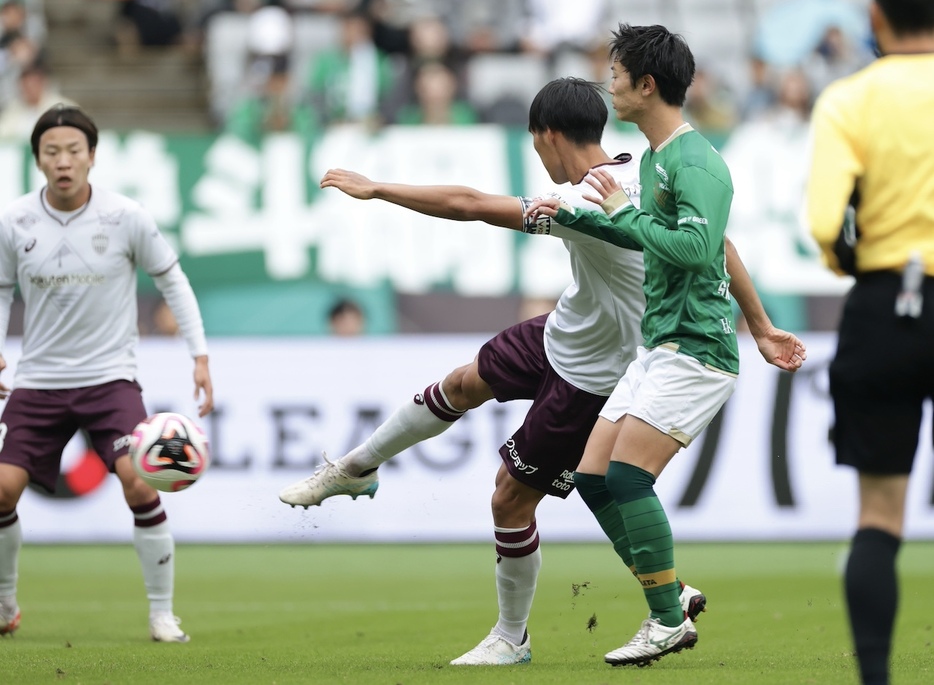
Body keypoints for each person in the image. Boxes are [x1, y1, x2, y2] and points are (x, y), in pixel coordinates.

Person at [278, 77, 805, 665]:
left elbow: (472, 206)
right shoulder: (648, 175)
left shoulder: (580, 204)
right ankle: (356, 467)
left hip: (597, 377)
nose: (536, 154)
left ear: (549, 136)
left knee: (512, 500)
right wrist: (758, 325)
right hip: (564, 331)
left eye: (535, 144)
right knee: (462, 382)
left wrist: (378, 189)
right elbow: (721, 244)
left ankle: (514, 637)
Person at [526, 24, 789, 667]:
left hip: (696, 347)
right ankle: (670, 593)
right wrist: (574, 216)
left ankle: (667, 620)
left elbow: (702, 252)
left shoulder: (695, 161)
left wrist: (614, 209)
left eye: (617, 74)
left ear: (646, 85)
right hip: (659, 344)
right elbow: (650, 237)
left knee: (625, 475)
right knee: (589, 479)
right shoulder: (652, 158)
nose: (609, 84)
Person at [0, 105, 215, 642]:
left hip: (109, 379)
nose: (63, 161)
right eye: (52, 152)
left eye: (74, 150)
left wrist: (200, 355)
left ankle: (162, 614)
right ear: (38, 160)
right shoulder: (14, 221)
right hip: (38, 380)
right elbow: (2, 289)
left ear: (92, 157)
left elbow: (173, 280)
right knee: (1, 492)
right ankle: (5, 605)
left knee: (140, 484)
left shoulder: (127, 217)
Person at [804, 0, 934, 683]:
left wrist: (856, 263)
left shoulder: (850, 99)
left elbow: (827, 224)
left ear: (876, 17)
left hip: (887, 302)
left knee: (879, 514)